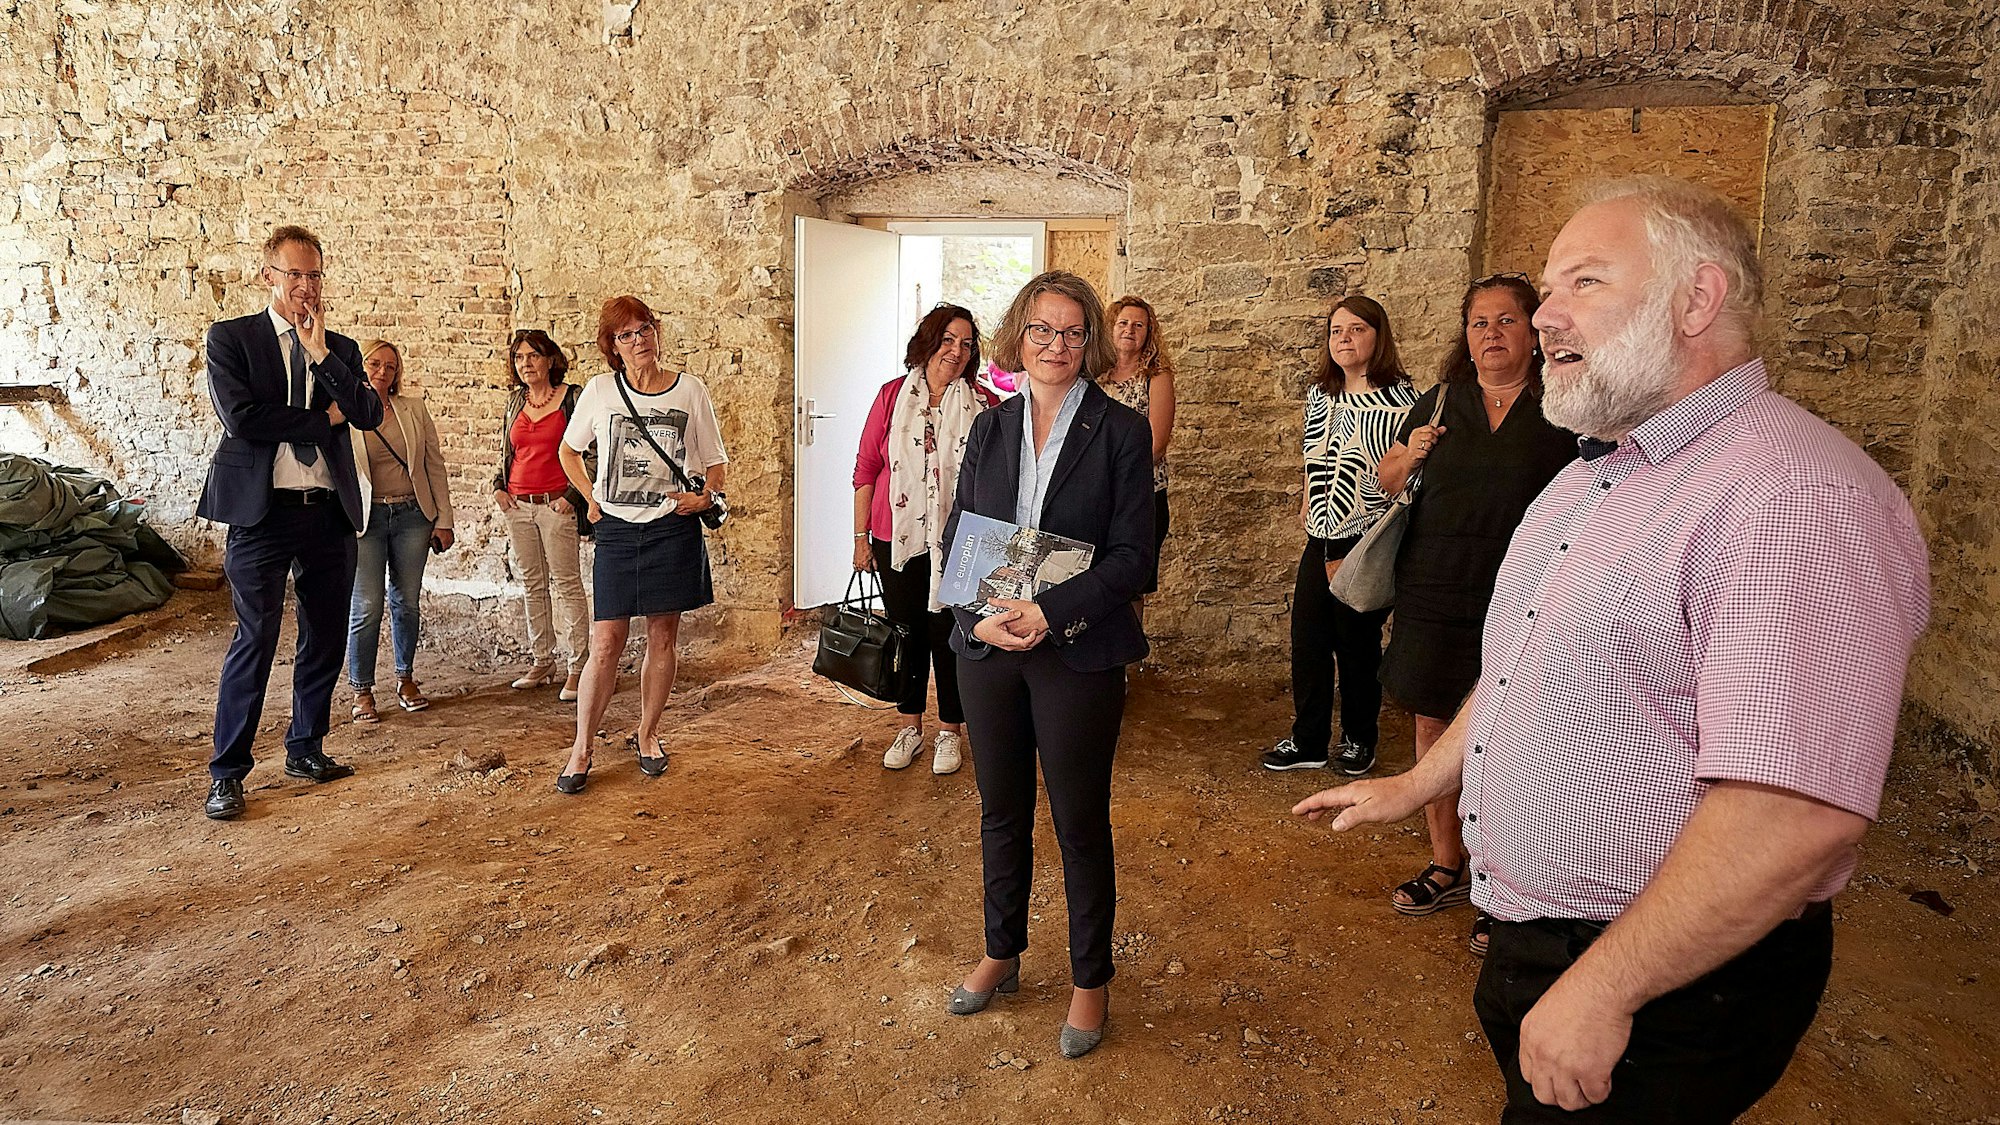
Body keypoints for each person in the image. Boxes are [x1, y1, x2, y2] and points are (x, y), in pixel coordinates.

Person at [1296, 177, 1930, 1123]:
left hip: (1660, 974)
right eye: (1548, 289)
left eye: (1582, 283)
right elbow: (1521, 668)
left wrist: (1605, 989)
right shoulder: (1595, 473)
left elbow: (1793, 816)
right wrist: (1420, 781)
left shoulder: (1796, 496)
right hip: (1543, 938)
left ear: (1697, 298)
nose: (1544, 315)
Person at [941, 271, 1154, 1060]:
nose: (1056, 345)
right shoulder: (989, 428)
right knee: (1000, 811)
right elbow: (958, 538)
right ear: (1018, 337)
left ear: (1088, 341)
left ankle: (1089, 980)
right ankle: (1002, 951)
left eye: (1071, 333)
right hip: (989, 650)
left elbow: (1135, 556)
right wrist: (977, 619)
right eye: (1041, 330)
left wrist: (1051, 612)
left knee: (1077, 823)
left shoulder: (1121, 434)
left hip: (1077, 650)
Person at [1368, 275, 1578, 952]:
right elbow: (1389, 477)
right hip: (1435, 586)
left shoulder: (1563, 405)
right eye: (1480, 322)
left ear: (1534, 330)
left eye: (1507, 320)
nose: (1492, 334)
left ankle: (1501, 881)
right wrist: (1410, 455)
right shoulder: (1441, 401)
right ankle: (1447, 861)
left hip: (1526, 592)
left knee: (1515, 734)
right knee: (1434, 720)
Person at [197, 225, 383, 820]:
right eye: (295, 275)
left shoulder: (343, 349)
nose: (306, 287)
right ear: (268, 276)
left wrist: (322, 354)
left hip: (328, 511)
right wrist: (319, 419)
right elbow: (243, 418)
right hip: (262, 513)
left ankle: (306, 747)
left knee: (326, 632)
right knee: (256, 637)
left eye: (315, 275)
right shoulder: (231, 340)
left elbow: (368, 411)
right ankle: (227, 774)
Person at [553, 296, 727, 794]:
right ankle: (582, 746)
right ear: (612, 346)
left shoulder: (690, 389)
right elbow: (569, 449)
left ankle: (649, 735)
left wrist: (705, 497)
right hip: (618, 530)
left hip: (672, 528)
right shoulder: (600, 391)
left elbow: (715, 461)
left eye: (645, 329)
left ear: (656, 331)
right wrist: (590, 498)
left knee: (662, 639)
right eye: (626, 335)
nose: (639, 341)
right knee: (605, 641)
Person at [1261, 296, 1415, 776]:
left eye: (1355, 329)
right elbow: (1312, 458)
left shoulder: (1404, 400)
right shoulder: (1319, 395)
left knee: (1357, 644)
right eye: (1335, 331)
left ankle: (1357, 738)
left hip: (1364, 537)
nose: (1343, 339)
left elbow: (1403, 474)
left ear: (1377, 336)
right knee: (1307, 640)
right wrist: (1308, 502)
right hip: (1320, 533)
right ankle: (1307, 739)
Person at [852, 304, 1000, 775]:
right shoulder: (892, 397)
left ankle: (949, 732)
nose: (957, 351)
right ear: (928, 341)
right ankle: (910, 727)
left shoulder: (986, 405)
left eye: (967, 343)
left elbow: (999, 480)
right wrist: (860, 538)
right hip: (897, 538)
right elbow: (866, 469)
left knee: (950, 635)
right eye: (948, 340)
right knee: (907, 633)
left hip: (961, 541)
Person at [345, 339, 455, 723]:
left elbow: (433, 465)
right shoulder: (344, 410)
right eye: (375, 363)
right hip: (366, 521)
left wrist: (444, 519)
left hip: (412, 515)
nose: (382, 371)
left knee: (406, 602)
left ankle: (406, 679)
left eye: (390, 367)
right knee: (367, 606)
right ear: (362, 365)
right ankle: (361, 689)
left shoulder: (412, 409)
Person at [495, 329, 592, 702]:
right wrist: (498, 487)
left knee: (567, 584)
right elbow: (505, 449)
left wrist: (573, 496)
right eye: (519, 358)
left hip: (557, 505)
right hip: (518, 505)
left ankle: (578, 665)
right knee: (532, 584)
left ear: (550, 359)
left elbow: (592, 451)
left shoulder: (572, 398)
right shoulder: (515, 401)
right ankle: (542, 659)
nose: (526, 364)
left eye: (533, 356)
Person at [1097, 296, 1177, 613]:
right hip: (1096, 495)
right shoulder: (1093, 377)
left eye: (1139, 325)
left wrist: (1120, 485)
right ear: (1110, 329)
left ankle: (1128, 659)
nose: (1130, 330)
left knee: (1132, 584)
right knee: (1094, 577)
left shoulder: (1156, 377)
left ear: (1148, 333)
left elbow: (1157, 442)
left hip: (1140, 496)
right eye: (1123, 323)